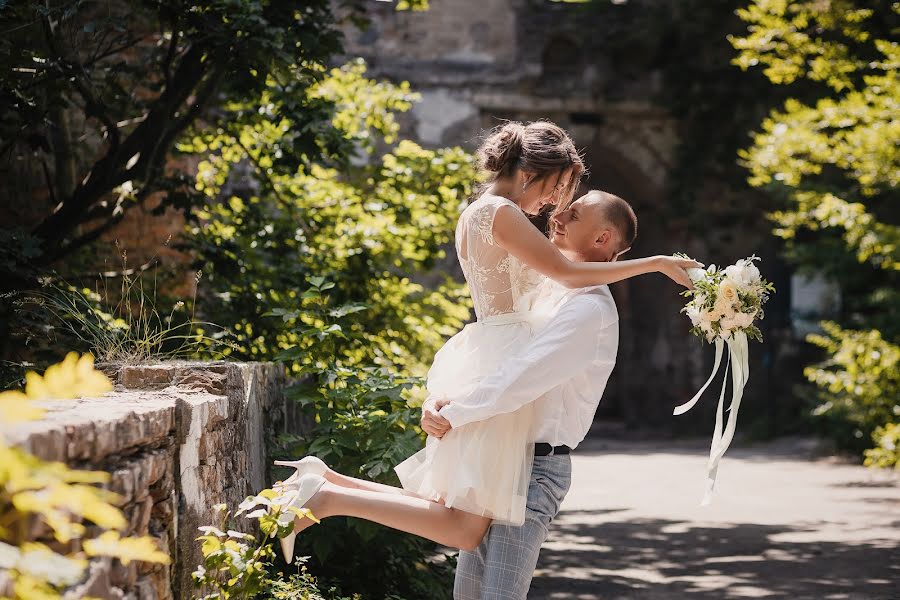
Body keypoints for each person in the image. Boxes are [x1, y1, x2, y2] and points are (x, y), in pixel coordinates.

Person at [263, 121, 700, 566]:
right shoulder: (501, 213)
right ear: (532, 172)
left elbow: (560, 283)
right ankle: (327, 498)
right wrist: (656, 264)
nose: (554, 203)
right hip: (503, 352)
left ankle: (328, 482)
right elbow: (568, 275)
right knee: (462, 527)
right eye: (558, 187)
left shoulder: (484, 211)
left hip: (492, 349)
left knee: (456, 519)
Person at [424, 189, 634, 599]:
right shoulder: (549, 291)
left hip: (536, 470)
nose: (559, 215)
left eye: (574, 215)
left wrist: (458, 414)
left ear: (602, 239)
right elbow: (493, 351)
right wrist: (442, 398)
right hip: (501, 455)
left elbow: (524, 374)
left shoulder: (589, 309)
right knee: (467, 596)